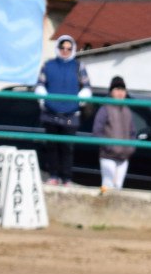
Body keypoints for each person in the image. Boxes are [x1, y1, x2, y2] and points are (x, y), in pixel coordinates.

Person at [36, 34, 91, 186]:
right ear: (58, 48)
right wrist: (44, 100)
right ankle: (53, 176)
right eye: (62, 47)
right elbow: (40, 85)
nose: (65, 50)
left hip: (71, 114)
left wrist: (79, 101)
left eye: (69, 48)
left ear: (73, 49)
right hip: (50, 113)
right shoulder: (48, 65)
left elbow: (87, 88)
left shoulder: (79, 67)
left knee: (67, 148)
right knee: (52, 146)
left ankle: (66, 178)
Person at [92, 75, 136, 192]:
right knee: (107, 185)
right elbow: (97, 131)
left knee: (118, 188)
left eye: (122, 90)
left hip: (123, 157)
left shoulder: (127, 110)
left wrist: (130, 148)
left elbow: (132, 133)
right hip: (108, 156)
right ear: (111, 92)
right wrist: (110, 146)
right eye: (117, 89)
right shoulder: (105, 109)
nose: (120, 93)